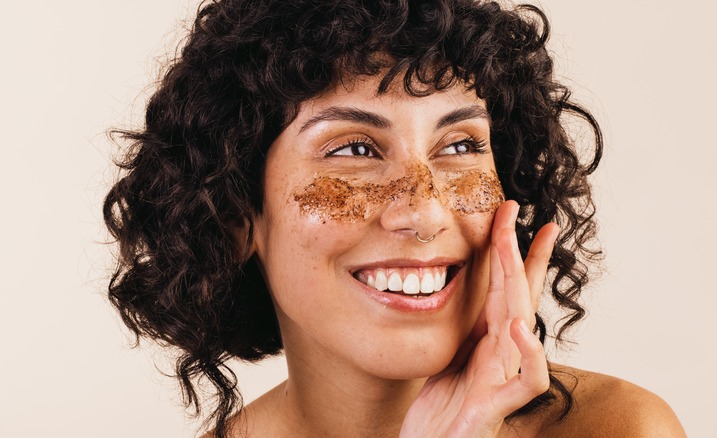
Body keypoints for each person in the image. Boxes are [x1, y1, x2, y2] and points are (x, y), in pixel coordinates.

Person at [103, 0, 685, 436]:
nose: (425, 211)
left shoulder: (615, 429)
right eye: (353, 149)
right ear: (235, 214)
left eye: (460, 145)